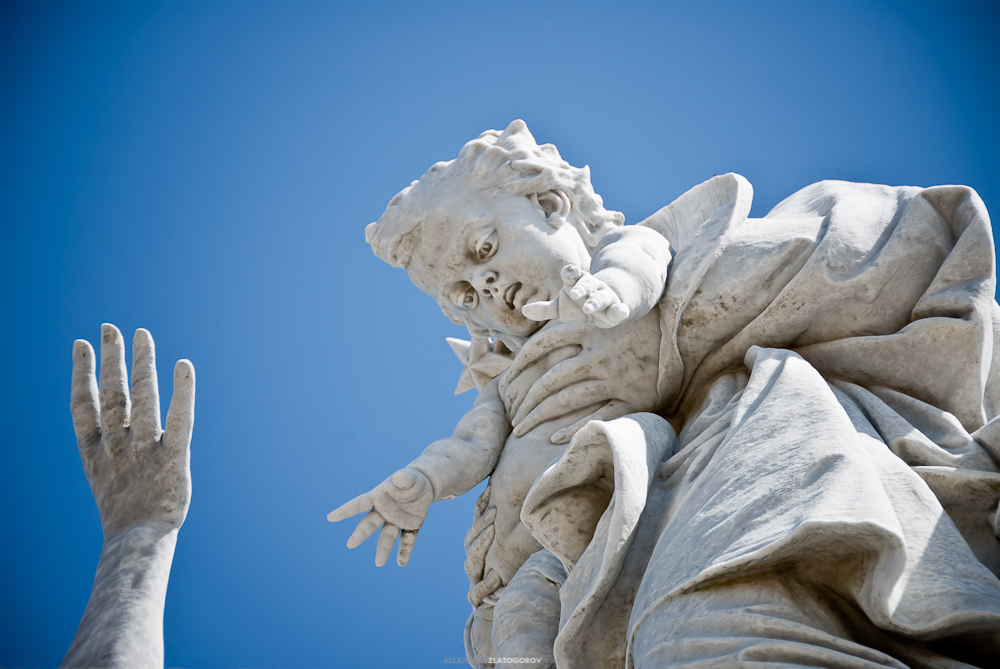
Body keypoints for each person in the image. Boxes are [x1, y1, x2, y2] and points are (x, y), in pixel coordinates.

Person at [333, 120, 1000, 668]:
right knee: (526, 634)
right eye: (462, 297)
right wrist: (419, 483)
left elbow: (641, 274)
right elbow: (474, 442)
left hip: (579, 519)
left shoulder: (627, 257)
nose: (484, 289)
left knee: (570, 611)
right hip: (517, 547)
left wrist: (608, 296)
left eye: (484, 249)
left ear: (549, 204)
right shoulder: (511, 376)